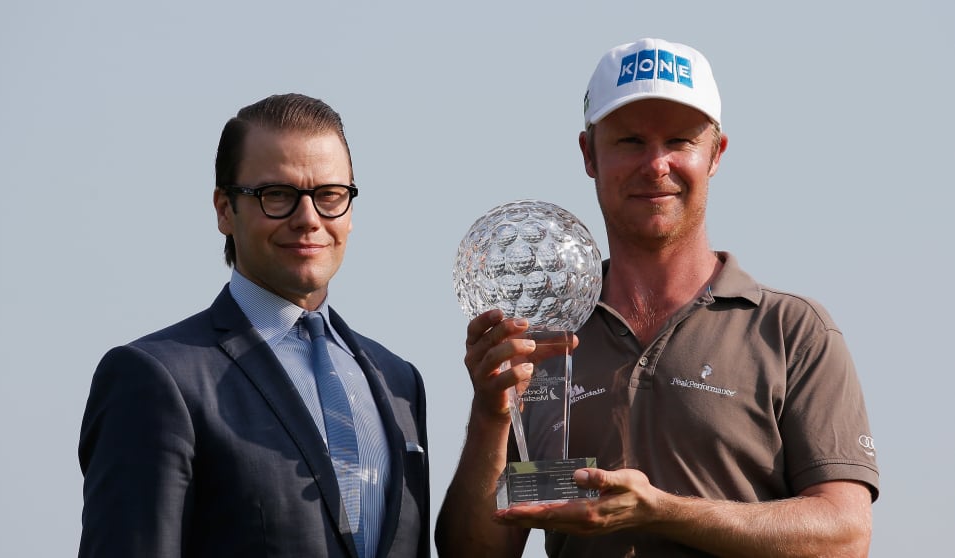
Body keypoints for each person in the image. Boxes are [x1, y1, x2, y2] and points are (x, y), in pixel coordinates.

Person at [435, 38, 878, 557]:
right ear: (588, 155)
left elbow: (845, 537)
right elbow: (477, 550)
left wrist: (660, 510)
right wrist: (491, 412)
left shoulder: (790, 331)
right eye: (629, 142)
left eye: (679, 141)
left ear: (716, 154)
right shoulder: (543, 343)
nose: (656, 164)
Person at [79, 93, 429, 558]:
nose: (309, 219)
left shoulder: (398, 379)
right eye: (277, 195)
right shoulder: (154, 378)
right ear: (225, 209)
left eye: (329, 196)